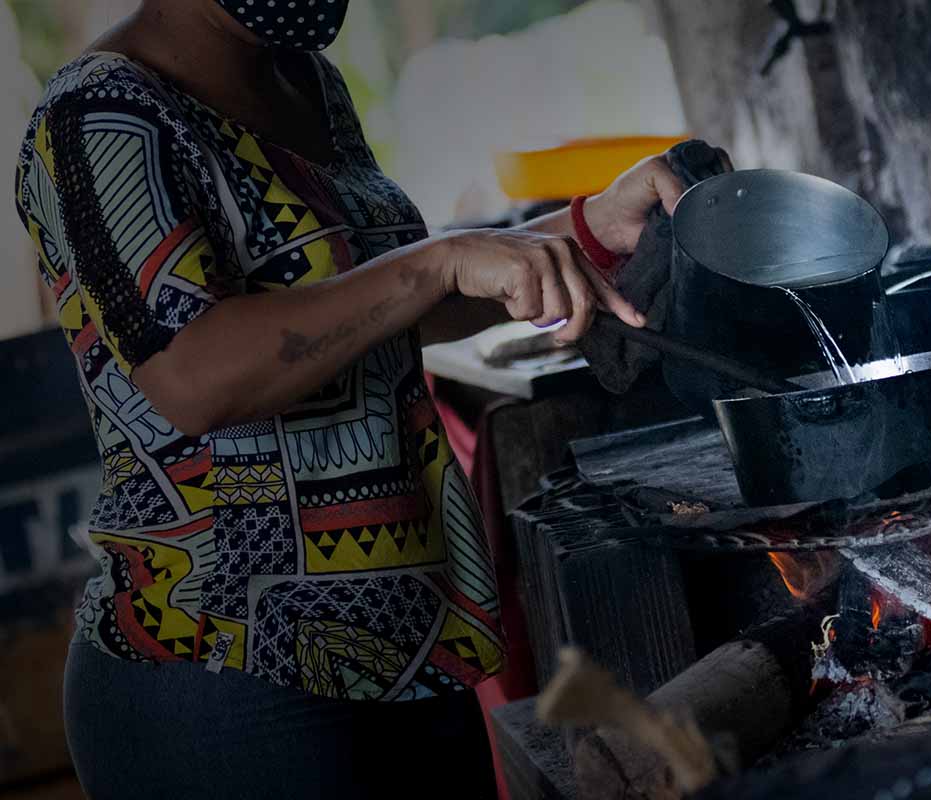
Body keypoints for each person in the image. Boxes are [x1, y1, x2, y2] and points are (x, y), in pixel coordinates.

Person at [12, 2, 685, 798]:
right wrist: (435, 261)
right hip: (225, 671)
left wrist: (587, 228)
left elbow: (378, 311)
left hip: (402, 641)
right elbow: (192, 377)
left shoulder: (307, 84)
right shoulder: (98, 114)